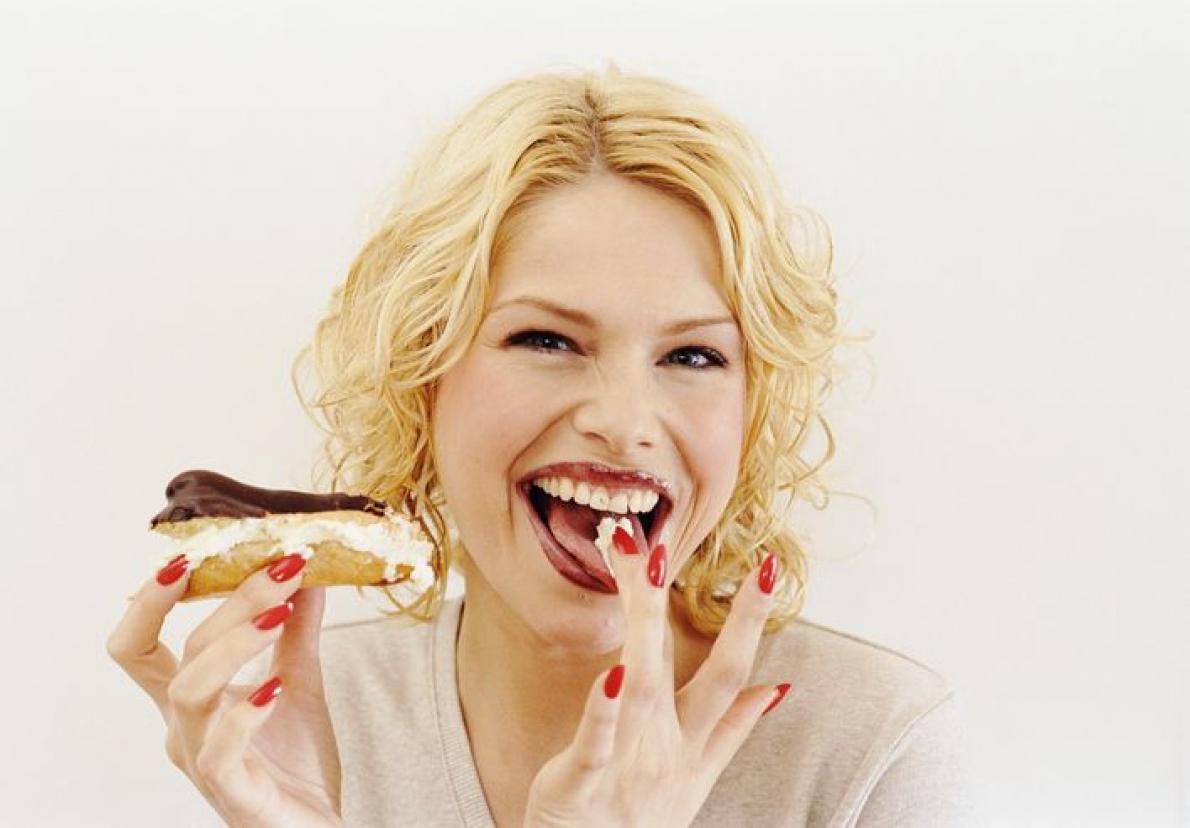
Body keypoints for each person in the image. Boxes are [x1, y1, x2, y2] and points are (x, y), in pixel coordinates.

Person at [108, 64, 979, 826]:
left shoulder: (872, 744)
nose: (626, 420)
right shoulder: (300, 720)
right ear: (422, 374)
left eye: (692, 355)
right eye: (547, 340)